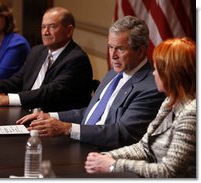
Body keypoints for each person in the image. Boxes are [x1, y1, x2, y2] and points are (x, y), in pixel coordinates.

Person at [16, 16, 166, 149]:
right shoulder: (114, 73)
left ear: (140, 51)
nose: (112, 55)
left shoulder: (150, 88)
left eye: (120, 49)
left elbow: (122, 133)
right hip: (83, 145)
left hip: (106, 157)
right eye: (110, 47)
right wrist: (50, 116)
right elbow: (91, 113)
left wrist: (67, 128)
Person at [84, 37, 196, 178]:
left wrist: (114, 165)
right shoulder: (169, 102)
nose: (153, 73)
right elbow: (144, 147)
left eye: (157, 69)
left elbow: (168, 171)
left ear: (171, 73)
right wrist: (104, 157)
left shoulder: (192, 113)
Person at [0, 7, 93, 112]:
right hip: (23, 114)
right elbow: (17, 80)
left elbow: (49, 93)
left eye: (52, 27)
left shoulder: (77, 60)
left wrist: (7, 99)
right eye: (43, 27)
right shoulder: (37, 51)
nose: (45, 32)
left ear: (69, 31)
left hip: (52, 125)